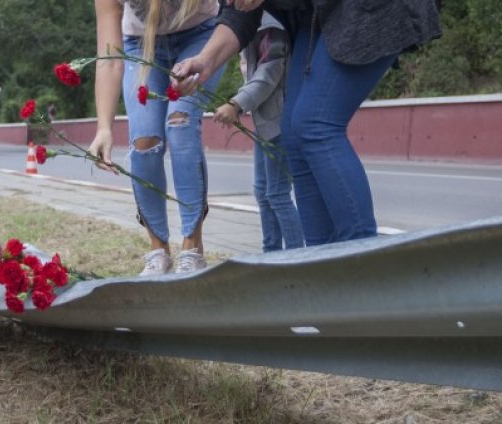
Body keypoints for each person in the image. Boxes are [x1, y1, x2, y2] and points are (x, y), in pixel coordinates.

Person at [172, 0, 442, 246]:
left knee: (316, 124)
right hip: (317, 16)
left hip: (366, 9)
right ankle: (319, 262)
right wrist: (205, 60)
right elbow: (239, 13)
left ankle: (361, 261)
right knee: (292, 132)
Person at [88, 0, 227, 275]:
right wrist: (103, 126)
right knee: (144, 143)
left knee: (180, 122)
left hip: (201, 35)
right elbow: (110, 60)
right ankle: (158, 252)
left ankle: (192, 249)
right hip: (142, 46)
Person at [213, 12, 304, 252]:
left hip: (277, 122)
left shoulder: (270, 26)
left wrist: (237, 103)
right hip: (266, 122)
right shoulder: (255, 25)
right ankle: (270, 253)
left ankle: (297, 255)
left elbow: (269, 73)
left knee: (277, 194)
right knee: (263, 192)